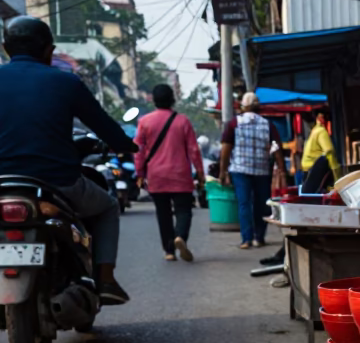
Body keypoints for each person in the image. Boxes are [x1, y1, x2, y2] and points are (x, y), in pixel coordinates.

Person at [0, 16, 137, 304]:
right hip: (58, 183)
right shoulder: (66, 82)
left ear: (5, 48)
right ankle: (106, 279)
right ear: (48, 50)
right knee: (108, 207)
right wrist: (125, 145)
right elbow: (104, 125)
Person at [134, 84, 204, 262]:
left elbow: (138, 150)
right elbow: (193, 150)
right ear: (172, 99)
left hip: (156, 175)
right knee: (184, 210)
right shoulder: (183, 121)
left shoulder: (144, 121)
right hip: (180, 175)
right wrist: (200, 173)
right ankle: (180, 236)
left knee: (163, 213)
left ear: (154, 100)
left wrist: (139, 173)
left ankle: (169, 251)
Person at [219, 92, 284, 249]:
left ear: (243, 107)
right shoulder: (268, 124)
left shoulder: (234, 123)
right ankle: (259, 237)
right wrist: (282, 168)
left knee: (244, 203)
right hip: (262, 170)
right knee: (261, 204)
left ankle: (246, 239)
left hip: (240, 170)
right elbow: (276, 148)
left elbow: (226, 149)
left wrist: (223, 170)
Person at [299, 108, 339, 190]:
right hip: (313, 172)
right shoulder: (320, 131)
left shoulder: (315, 131)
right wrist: (337, 177)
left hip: (309, 171)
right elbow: (329, 152)